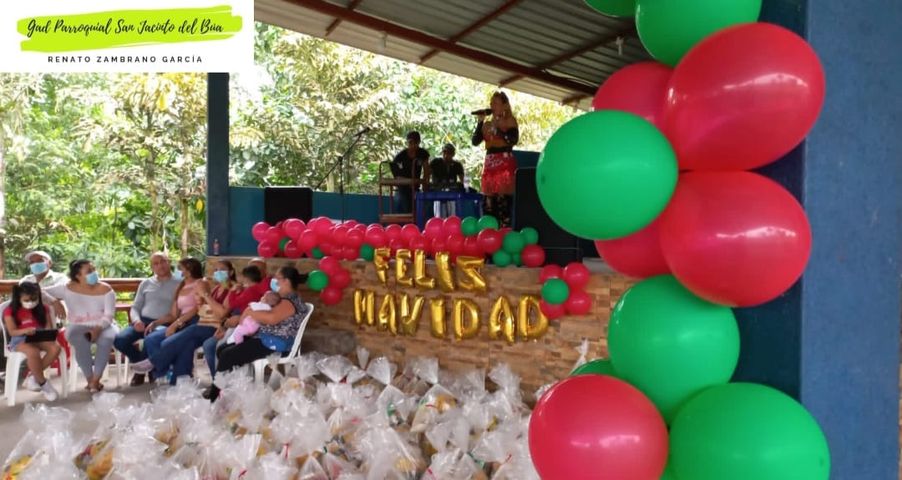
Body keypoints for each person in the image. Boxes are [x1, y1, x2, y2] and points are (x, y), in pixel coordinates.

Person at [207, 266, 311, 401]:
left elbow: (271, 318)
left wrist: (250, 312)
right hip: (266, 339)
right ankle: (232, 389)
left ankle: (215, 396)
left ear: (286, 281)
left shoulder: (289, 301)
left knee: (228, 355)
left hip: (275, 343)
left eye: (277, 278)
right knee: (223, 349)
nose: (273, 281)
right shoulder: (284, 298)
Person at [130, 258, 208, 384]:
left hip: (195, 321)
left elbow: (198, 308)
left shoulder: (201, 283)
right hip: (182, 323)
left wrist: (176, 324)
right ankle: (161, 373)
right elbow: (173, 314)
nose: (178, 270)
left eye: (181, 268)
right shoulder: (181, 286)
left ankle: (156, 364)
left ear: (189, 270)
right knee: (151, 339)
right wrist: (156, 323)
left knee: (178, 343)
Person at [44, 260, 117, 393]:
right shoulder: (66, 288)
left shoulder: (106, 289)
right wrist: (54, 301)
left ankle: (95, 380)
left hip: (104, 325)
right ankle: (90, 380)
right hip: (78, 325)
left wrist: (97, 329)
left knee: (106, 340)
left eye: (94, 269)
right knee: (78, 340)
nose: (94, 273)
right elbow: (39, 291)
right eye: (89, 271)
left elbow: (109, 315)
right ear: (78, 276)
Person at [113, 252, 180, 386]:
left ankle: (140, 372)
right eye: (156, 263)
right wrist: (137, 320)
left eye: (163, 261)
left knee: (150, 339)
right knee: (120, 340)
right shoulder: (146, 283)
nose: (160, 265)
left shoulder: (179, 283)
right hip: (143, 321)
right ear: (152, 267)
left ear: (169, 262)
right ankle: (144, 367)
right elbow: (135, 307)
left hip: (165, 323)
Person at [201, 264, 266, 384]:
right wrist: (224, 326)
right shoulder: (247, 289)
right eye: (216, 270)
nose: (218, 272)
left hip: (246, 329)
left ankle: (222, 382)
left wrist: (232, 292)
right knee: (212, 345)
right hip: (234, 325)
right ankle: (220, 382)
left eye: (222, 269)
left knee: (218, 347)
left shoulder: (257, 291)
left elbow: (233, 305)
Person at [3, 282, 61, 401]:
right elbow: (12, 332)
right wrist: (25, 330)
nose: (31, 302)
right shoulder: (10, 311)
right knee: (33, 351)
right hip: (20, 338)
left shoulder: (43, 308)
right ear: (19, 298)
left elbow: (48, 327)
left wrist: (48, 333)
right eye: (27, 300)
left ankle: (33, 376)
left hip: (39, 336)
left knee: (55, 348)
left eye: (34, 299)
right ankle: (43, 383)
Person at [472, 91, 520, 226]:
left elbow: (513, 139)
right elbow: (475, 141)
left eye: (496, 103)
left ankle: (504, 231)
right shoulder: (487, 124)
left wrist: (497, 130)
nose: (492, 106)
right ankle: (489, 231)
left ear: (504, 105)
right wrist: (480, 122)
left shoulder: (509, 120)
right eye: (491, 103)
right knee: (488, 204)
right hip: (490, 166)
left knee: (502, 204)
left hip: (504, 165)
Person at [389, 131, 430, 214]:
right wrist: (410, 181)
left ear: (419, 142)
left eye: (416, 143)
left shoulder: (423, 154)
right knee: (402, 202)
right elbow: (397, 177)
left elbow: (426, 170)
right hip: (402, 188)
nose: (413, 145)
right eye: (411, 142)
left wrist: (425, 184)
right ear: (407, 142)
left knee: (423, 205)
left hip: (416, 188)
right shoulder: (400, 157)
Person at [429, 143, 466, 217]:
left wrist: (465, 188)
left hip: (452, 194)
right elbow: (427, 175)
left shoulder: (457, 165)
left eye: (449, 153)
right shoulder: (435, 162)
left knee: (452, 214)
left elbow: (463, 180)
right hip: (437, 193)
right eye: (444, 152)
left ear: (453, 154)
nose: (446, 155)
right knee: (439, 215)